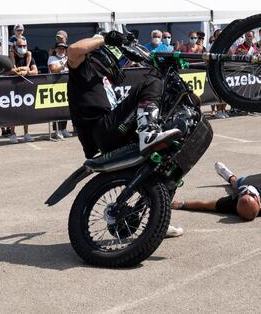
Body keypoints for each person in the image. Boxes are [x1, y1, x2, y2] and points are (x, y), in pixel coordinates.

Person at [67, 30, 184, 237]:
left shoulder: (104, 82)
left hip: (113, 133)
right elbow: (74, 50)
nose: (118, 65)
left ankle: (157, 220)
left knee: (168, 165)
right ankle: (148, 134)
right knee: (151, 81)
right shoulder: (82, 69)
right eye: (116, 60)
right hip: (103, 130)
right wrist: (104, 38)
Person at [6, 38, 38, 143]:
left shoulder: (29, 57)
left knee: (26, 111)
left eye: (24, 46)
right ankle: (13, 134)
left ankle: (26, 133)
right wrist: (20, 70)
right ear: (15, 47)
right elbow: (8, 72)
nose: (22, 48)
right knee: (12, 112)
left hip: (25, 89)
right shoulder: (10, 57)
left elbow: (35, 71)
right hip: (12, 89)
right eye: (20, 46)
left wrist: (26, 72)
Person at [48, 41, 73, 140]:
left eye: (63, 48)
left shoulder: (67, 58)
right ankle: (57, 130)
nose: (62, 50)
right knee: (57, 108)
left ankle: (63, 129)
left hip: (68, 85)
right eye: (59, 48)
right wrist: (64, 66)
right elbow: (53, 69)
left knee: (66, 107)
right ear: (55, 49)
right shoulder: (52, 58)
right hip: (56, 86)